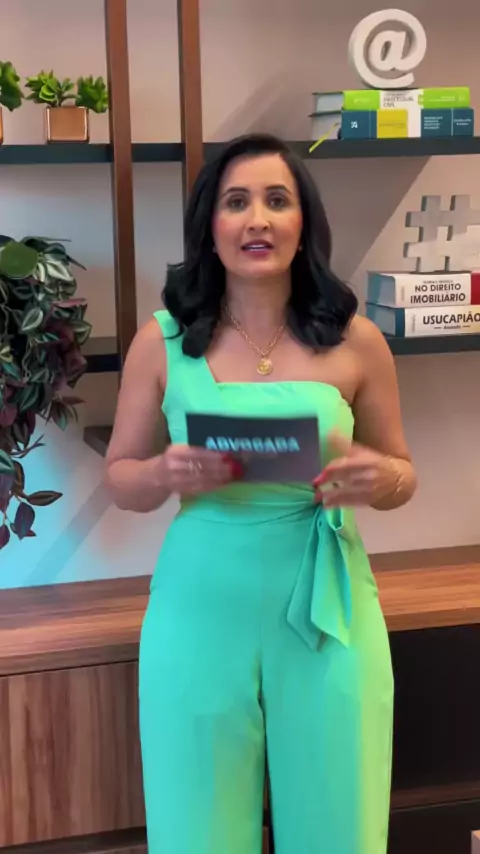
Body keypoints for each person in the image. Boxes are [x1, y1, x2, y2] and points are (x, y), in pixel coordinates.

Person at [104, 133, 417, 854]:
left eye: (278, 200)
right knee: (198, 824)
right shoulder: (162, 342)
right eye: (236, 202)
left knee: (340, 819)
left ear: (304, 222)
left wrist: (379, 478)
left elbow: (402, 473)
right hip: (198, 605)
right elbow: (121, 476)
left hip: (328, 607)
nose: (258, 220)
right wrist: (165, 472)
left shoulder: (358, 341)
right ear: (209, 226)